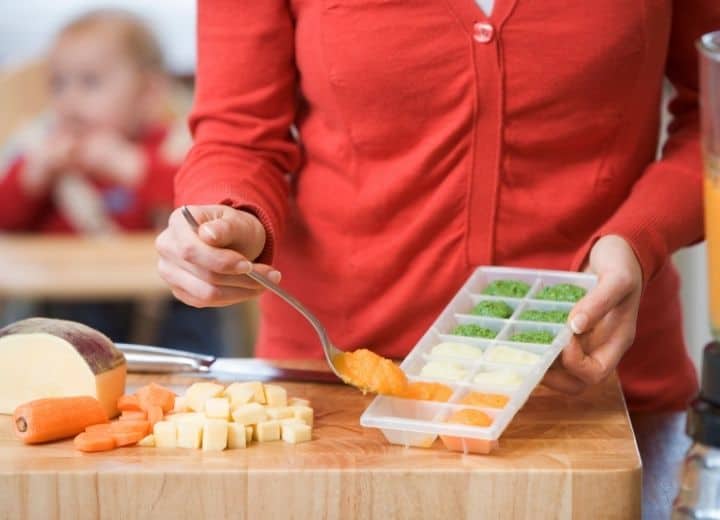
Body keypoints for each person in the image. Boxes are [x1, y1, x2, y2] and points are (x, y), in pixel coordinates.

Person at [156, 1, 720, 411]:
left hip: (601, 389)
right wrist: (232, 217)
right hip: (337, 397)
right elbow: (238, 135)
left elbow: (713, 115)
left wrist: (638, 239)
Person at [0, 10, 223, 353]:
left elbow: (206, 205)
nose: (69, 100)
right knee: (39, 325)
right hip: (70, 303)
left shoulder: (169, 145)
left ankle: (191, 384)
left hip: (162, 300)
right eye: (58, 83)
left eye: (90, 82)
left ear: (148, 93)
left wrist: (131, 166)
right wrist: (35, 175)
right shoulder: (42, 150)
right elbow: (7, 220)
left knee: (196, 297)